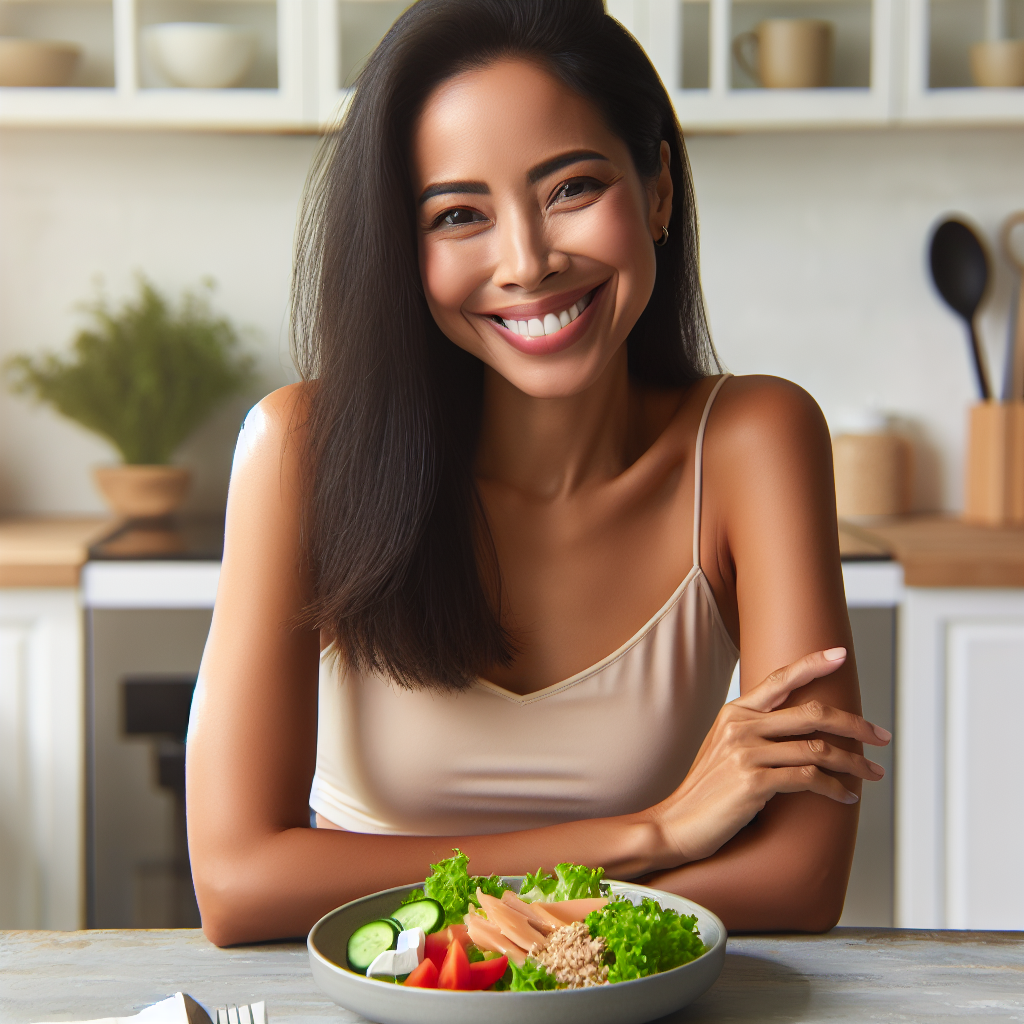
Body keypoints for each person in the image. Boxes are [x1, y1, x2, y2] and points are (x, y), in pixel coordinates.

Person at [186, 0, 890, 947]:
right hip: (371, 999)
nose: (526, 262)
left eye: (571, 189)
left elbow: (800, 879)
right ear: (402, 248)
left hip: (631, 1003)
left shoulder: (753, 440)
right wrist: (653, 834)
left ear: (658, 193)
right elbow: (238, 883)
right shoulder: (299, 448)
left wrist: (485, 916)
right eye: (458, 215)